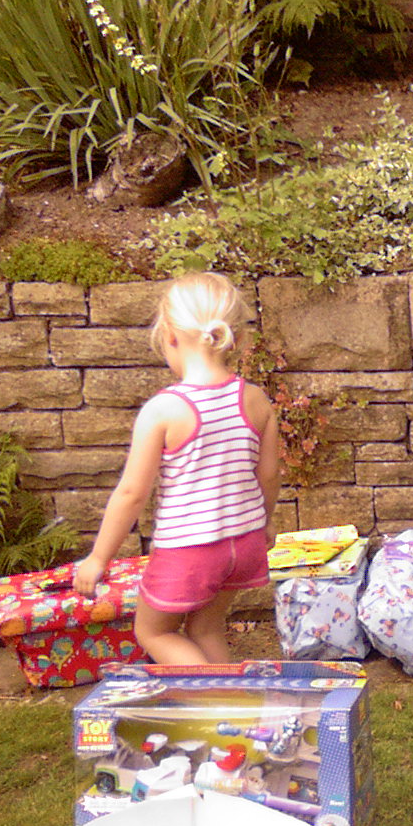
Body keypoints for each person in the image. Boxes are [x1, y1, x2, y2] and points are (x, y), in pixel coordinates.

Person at [74, 273, 280, 664]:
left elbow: (133, 494)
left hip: (189, 550)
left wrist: (99, 558)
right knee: (205, 628)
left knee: (153, 631)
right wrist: (267, 522)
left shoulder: (164, 410)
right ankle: (234, 707)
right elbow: (268, 475)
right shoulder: (255, 399)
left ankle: (217, 706)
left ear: (169, 335)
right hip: (246, 542)